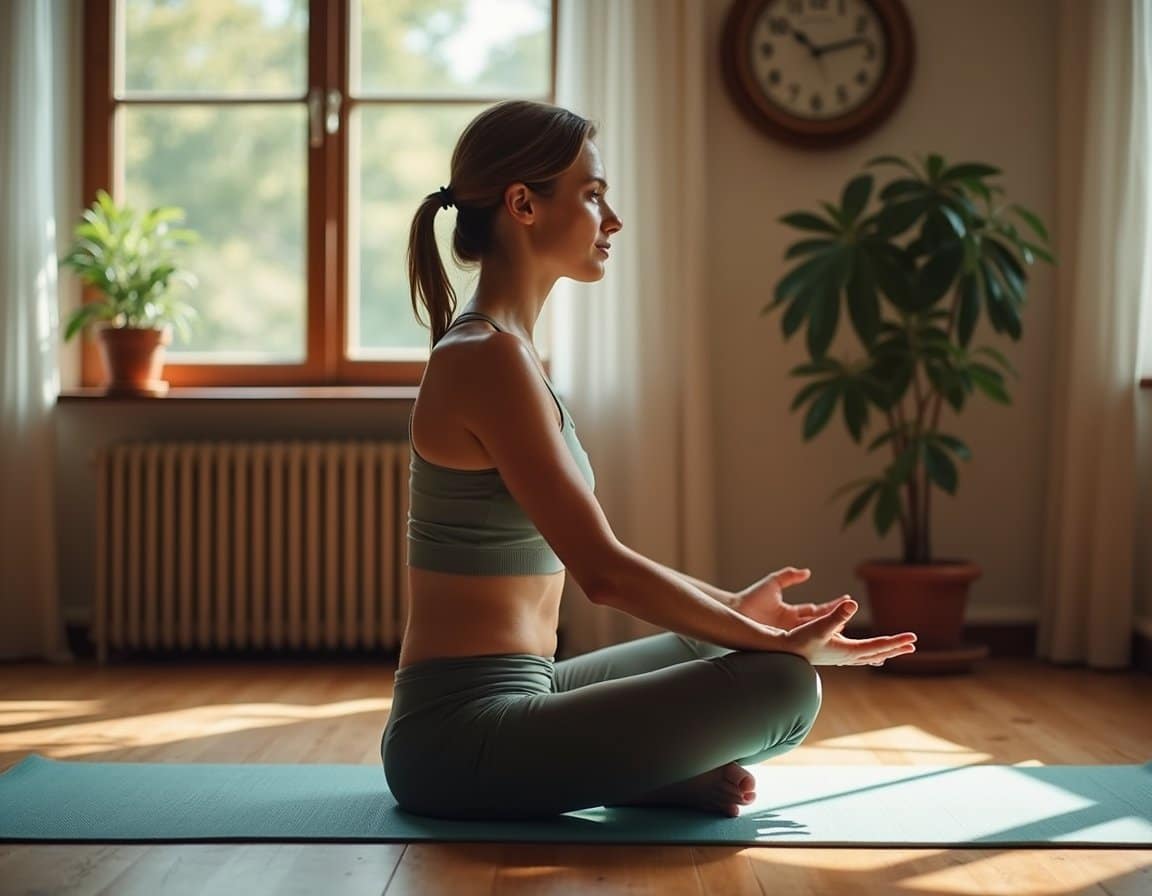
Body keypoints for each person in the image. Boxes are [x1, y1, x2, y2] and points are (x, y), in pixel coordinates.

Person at [381, 100, 917, 821]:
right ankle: (632, 773)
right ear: (523, 205)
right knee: (786, 685)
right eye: (594, 194)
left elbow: (608, 564)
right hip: (455, 741)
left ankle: (632, 772)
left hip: (529, 693)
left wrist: (733, 610)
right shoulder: (485, 359)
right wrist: (772, 640)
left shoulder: (508, 352)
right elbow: (602, 572)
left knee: (735, 652)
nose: (613, 219)